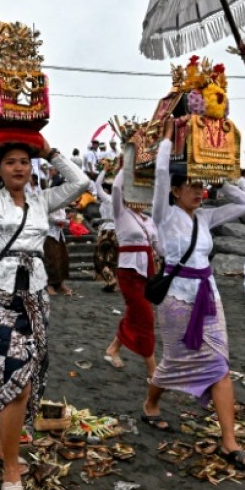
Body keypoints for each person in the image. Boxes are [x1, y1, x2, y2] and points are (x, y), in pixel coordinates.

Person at [0, 84, 90, 490]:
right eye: (11, 162)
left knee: (31, 373)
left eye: (25, 162)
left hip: (36, 297)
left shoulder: (42, 201)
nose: (19, 168)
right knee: (16, 379)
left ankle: (7, 442)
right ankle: (11, 467)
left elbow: (82, 180)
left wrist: (48, 148)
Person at [146, 118, 245, 468]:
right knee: (174, 361)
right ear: (176, 191)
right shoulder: (163, 215)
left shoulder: (205, 218)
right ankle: (151, 404)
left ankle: (228, 441)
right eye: (191, 186)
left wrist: (221, 177)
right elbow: (162, 176)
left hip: (209, 297)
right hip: (177, 299)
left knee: (219, 365)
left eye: (201, 187)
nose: (198, 192)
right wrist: (165, 143)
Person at [103, 158, 159, 374]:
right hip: (128, 272)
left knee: (135, 313)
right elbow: (116, 187)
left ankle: (114, 347)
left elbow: (158, 247)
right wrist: (128, 164)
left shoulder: (149, 220)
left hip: (148, 271)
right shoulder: (121, 213)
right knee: (145, 317)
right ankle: (153, 369)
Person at [91, 170, 118, 291]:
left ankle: (111, 279)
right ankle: (113, 281)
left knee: (99, 258)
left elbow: (97, 184)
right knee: (111, 258)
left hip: (107, 232)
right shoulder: (119, 201)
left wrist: (104, 169)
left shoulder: (108, 199)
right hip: (115, 231)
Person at [44, 208, 72, 295]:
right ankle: (49, 285)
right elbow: (52, 219)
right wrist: (68, 221)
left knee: (63, 258)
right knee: (51, 259)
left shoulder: (62, 207)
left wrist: (68, 219)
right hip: (49, 234)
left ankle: (60, 283)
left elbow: (61, 221)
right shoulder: (49, 204)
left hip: (59, 234)